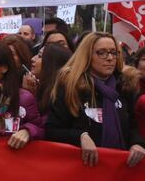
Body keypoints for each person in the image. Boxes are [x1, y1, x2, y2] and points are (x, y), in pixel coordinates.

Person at [46, 32, 145, 167]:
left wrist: (137, 144)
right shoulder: (70, 87)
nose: (109, 58)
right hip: (82, 169)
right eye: (101, 53)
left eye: (113, 52)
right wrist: (81, 136)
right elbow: (52, 131)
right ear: (87, 56)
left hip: (119, 169)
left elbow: (133, 126)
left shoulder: (124, 86)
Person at [23, 44, 72, 122]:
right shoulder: (41, 88)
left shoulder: (59, 95)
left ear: (52, 63)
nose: (32, 59)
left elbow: (40, 124)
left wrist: (29, 95)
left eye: (39, 56)